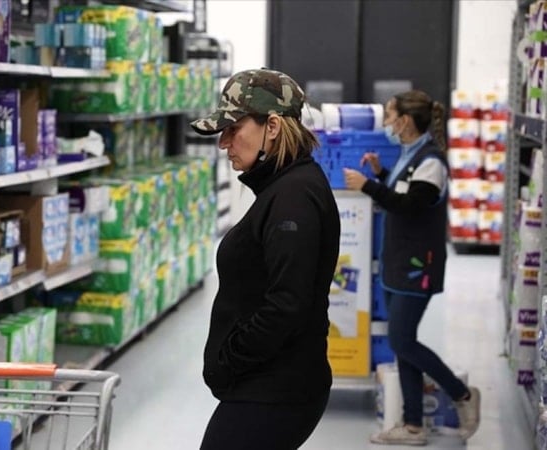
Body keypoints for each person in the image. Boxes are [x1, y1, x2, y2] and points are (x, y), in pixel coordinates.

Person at [190, 69, 340, 449]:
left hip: (275, 391)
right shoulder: (284, 188)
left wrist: (228, 361)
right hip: (271, 386)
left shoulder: (293, 198)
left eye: (233, 129)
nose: (223, 143)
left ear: (271, 127)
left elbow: (286, 305)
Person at [342, 90, 481, 445]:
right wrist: (381, 172)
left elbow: (411, 206)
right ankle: (413, 426)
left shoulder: (432, 161)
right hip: (398, 262)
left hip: (418, 266)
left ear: (405, 121)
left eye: (390, 117)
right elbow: (408, 190)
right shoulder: (411, 155)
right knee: (402, 344)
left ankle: (462, 394)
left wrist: (368, 185)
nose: (387, 124)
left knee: (402, 340)